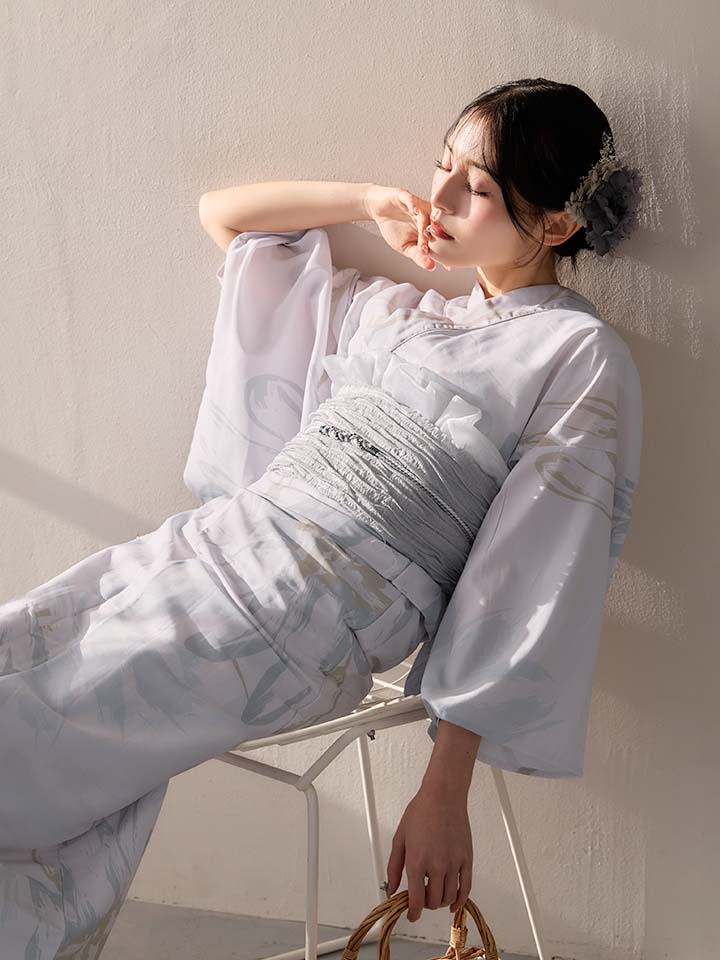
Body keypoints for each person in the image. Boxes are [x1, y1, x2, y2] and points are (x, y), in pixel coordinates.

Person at [0, 77, 644, 955]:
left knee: (36, 727)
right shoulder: (401, 316)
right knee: (22, 652)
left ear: (558, 224)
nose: (442, 198)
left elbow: (530, 569)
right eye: (441, 167)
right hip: (209, 549)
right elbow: (229, 220)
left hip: (306, 612)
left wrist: (444, 789)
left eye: (478, 188)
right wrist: (367, 201)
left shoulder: (575, 352)